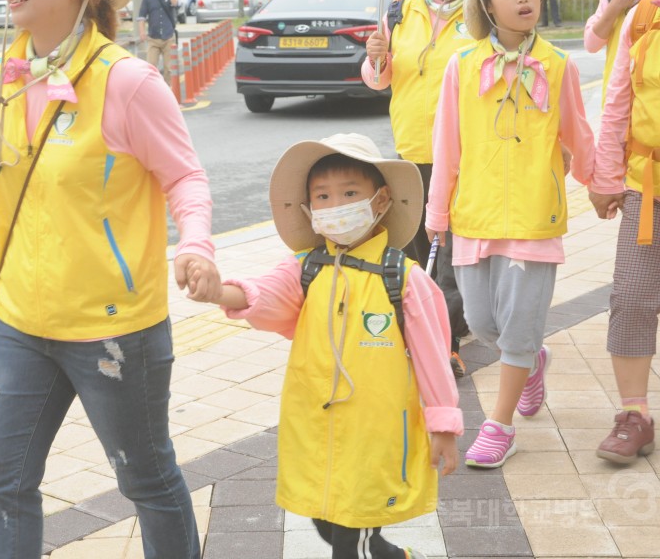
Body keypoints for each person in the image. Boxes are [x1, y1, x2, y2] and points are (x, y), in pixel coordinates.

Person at [0, 0, 221, 558]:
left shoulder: (126, 81)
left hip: (113, 328)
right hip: (21, 322)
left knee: (147, 477)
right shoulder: (5, 78)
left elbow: (186, 179)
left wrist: (195, 245)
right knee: (0, 477)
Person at [189, 133, 460, 559]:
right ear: (309, 208)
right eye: (324, 196)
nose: (336, 206)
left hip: (376, 433)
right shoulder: (306, 270)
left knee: (351, 541)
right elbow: (263, 294)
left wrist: (443, 425)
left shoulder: (405, 279)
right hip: (317, 428)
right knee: (327, 521)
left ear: (381, 200)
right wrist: (216, 292)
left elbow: (433, 358)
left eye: (350, 193)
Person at [427, 0, 596, 469]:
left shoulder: (559, 64)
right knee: (483, 321)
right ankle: (531, 359)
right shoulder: (462, 66)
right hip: (472, 216)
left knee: (518, 327)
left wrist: (603, 182)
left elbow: (579, 134)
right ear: (488, 1)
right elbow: (445, 147)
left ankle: (499, 426)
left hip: (533, 217)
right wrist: (437, 214)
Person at [363, 0, 478, 378]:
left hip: (467, 153)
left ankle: (443, 345)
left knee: (446, 252)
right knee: (417, 251)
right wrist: (375, 57)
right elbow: (379, 80)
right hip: (411, 150)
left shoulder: (484, 12)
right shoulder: (400, 10)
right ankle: (446, 323)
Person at [588, 0, 660, 465]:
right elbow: (617, 101)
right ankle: (634, 415)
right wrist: (606, 178)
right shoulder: (640, 14)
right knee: (632, 298)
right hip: (646, 185)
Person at [137, 0, 179, 83]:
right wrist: (142, 32)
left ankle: (169, 91)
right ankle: (154, 92)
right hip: (153, 38)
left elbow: (176, 4)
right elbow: (141, 17)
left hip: (168, 37)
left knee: (169, 68)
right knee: (151, 67)